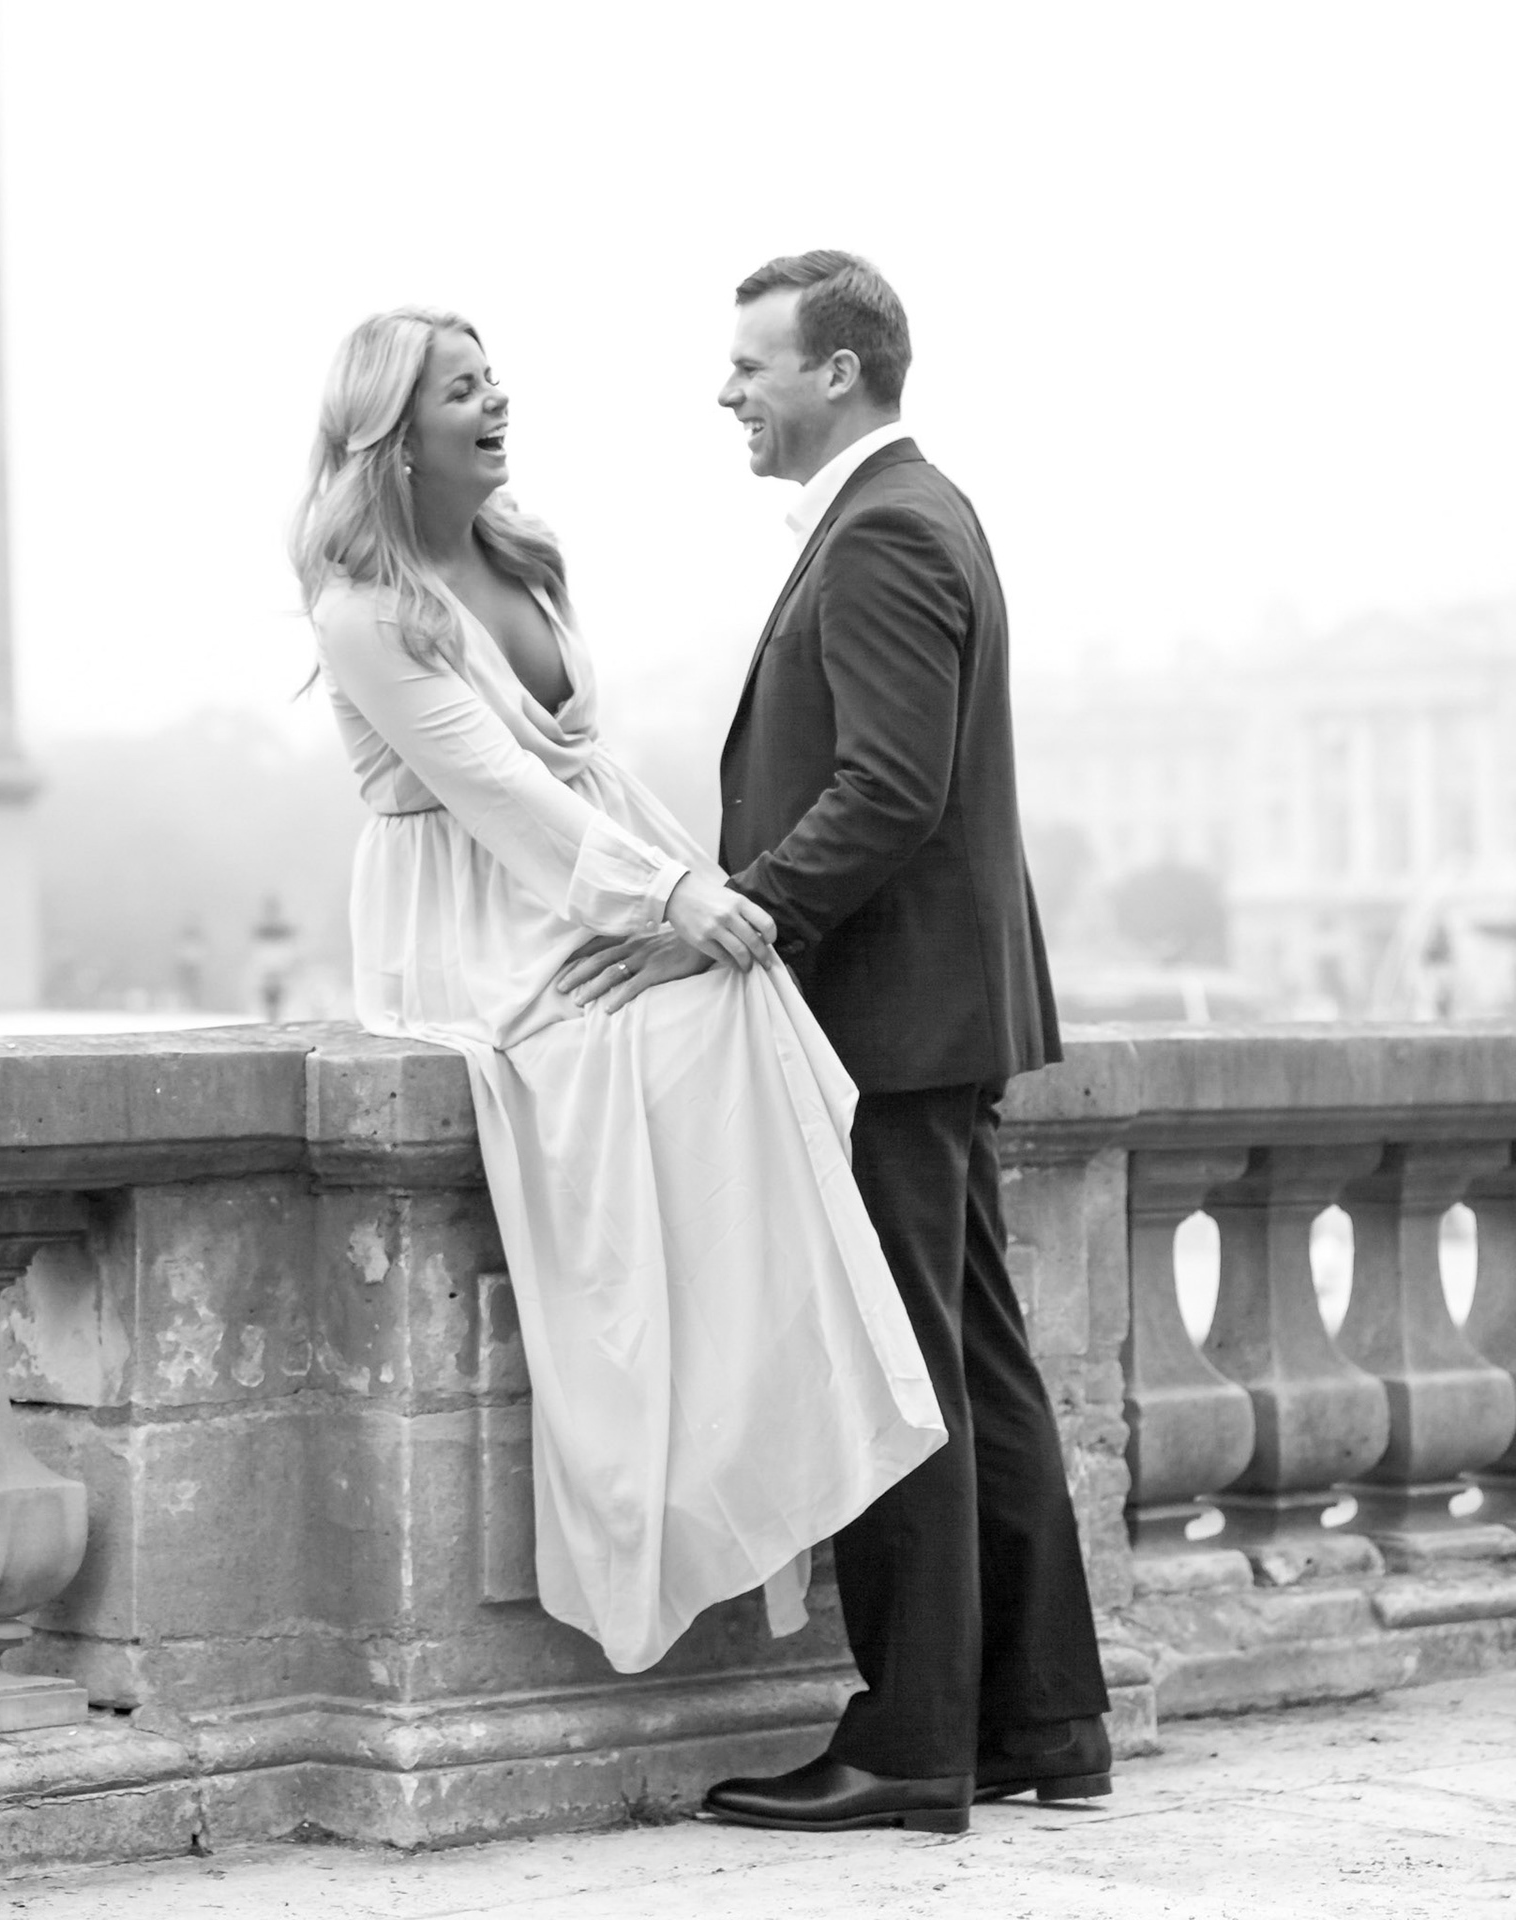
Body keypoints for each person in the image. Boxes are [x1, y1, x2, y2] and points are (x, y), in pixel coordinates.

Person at [293, 308, 948, 1716]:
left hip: (598, 876)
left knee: (748, 1017)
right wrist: (670, 909)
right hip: (479, 921)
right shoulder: (364, 608)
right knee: (696, 1036)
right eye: (462, 390)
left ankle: (777, 1423)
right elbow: (502, 795)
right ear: (391, 435)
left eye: (492, 379)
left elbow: (587, 769)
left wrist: (694, 903)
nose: (496, 402)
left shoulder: (524, 553)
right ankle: (718, 1463)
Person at [594, 250, 1113, 1829]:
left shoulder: (885, 528)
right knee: (979, 1375)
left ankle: (909, 1748)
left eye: (751, 364)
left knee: (900, 1382)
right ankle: (1042, 1726)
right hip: (935, 1012)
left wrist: (745, 916)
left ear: (837, 371)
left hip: (883, 1024)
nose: (727, 392)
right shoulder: (924, 508)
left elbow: (890, 786)